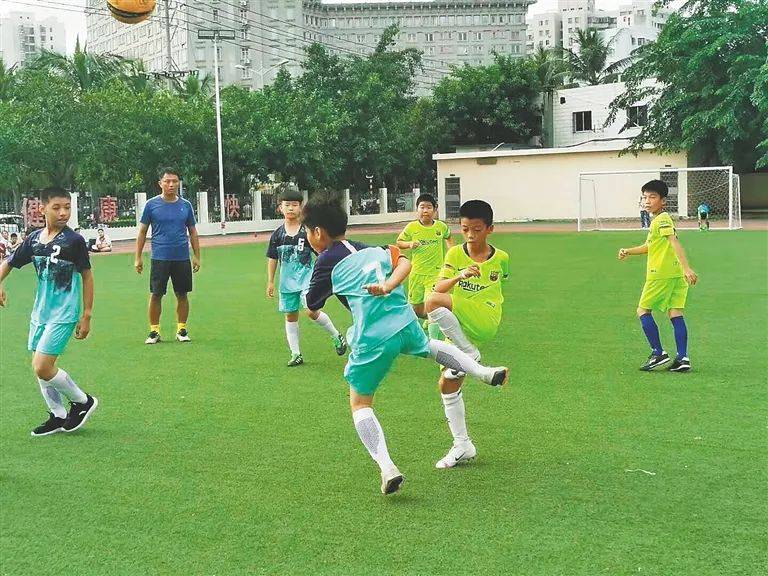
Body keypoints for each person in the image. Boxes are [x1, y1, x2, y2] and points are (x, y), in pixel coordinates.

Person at [302, 196, 508, 495]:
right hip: (404, 321)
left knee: (360, 403)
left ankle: (387, 468)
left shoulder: (324, 262)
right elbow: (404, 262)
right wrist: (387, 285)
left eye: (308, 232)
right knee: (428, 345)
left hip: (372, 337)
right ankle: (483, 372)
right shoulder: (371, 249)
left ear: (318, 232)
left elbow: (312, 303)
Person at [0, 187, 98, 436]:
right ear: (42, 208)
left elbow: (87, 277)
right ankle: (58, 415)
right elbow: (9, 262)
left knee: (43, 367)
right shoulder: (33, 239)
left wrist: (86, 315)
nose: (63, 212)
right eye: (57, 207)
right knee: (39, 367)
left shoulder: (74, 241)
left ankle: (83, 401)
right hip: (40, 313)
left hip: (64, 313)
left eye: (67, 207)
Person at [425, 200, 510, 468]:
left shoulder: (502, 258)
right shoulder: (454, 255)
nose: (471, 236)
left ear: (490, 229)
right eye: (465, 230)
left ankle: (470, 355)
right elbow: (441, 285)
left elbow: (500, 283)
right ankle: (463, 445)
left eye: (476, 229)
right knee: (447, 384)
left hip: (486, 317)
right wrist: (460, 276)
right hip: (460, 323)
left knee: (431, 302)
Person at [619, 180, 698, 372]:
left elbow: (674, 242)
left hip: (661, 275)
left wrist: (688, 268)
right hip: (675, 274)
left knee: (642, 310)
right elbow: (650, 246)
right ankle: (682, 358)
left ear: (663, 201)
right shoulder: (659, 221)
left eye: (652, 197)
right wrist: (628, 251)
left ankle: (658, 353)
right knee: (675, 313)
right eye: (645, 197)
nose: (647, 201)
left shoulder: (662, 219)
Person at [266, 189, 347, 366]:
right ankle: (296, 354)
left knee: (311, 311)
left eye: (295, 205)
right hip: (287, 283)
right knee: (290, 315)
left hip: (307, 280)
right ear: (280, 208)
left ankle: (336, 335)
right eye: (287, 205)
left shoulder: (307, 232)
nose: (291, 209)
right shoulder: (277, 235)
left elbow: (320, 252)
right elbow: (272, 258)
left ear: (301, 208)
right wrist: (271, 281)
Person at [134, 168, 201, 344]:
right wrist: (138, 257)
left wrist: (197, 256)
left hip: (181, 257)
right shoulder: (151, 205)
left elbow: (192, 231)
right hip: (160, 257)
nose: (171, 185)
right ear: (160, 183)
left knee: (182, 294)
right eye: (167, 181)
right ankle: (154, 331)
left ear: (178, 183)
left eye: (175, 181)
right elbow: (142, 232)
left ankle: (182, 329)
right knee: (156, 294)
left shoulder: (185, 205)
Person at [396, 193, 453, 338]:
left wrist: (451, 254)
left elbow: (448, 238)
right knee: (416, 308)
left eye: (429, 207)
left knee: (433, 305)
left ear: (435, 210)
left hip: (435, 274)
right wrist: (409, 244)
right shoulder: (412, 227)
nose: (425, 210)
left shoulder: (441, 227)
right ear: (417, 209)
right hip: (417, 273)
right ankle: (428, 319)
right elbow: (399, 242)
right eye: (422, 207)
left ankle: (433, 342)